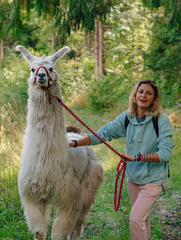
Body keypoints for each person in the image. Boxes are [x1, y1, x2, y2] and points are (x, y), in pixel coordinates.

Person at [69, 79, 174, 240]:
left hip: (153, 179)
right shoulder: (127, 118)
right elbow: (102, 135)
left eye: (149, 93)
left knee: (135, 218)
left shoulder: (161, 120)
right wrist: (75, 143)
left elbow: (165, 154)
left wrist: (137, 157)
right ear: (135, 95)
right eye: (141, 92)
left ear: (154, 98)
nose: (143, 96)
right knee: (142, 219)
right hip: (134, 178)